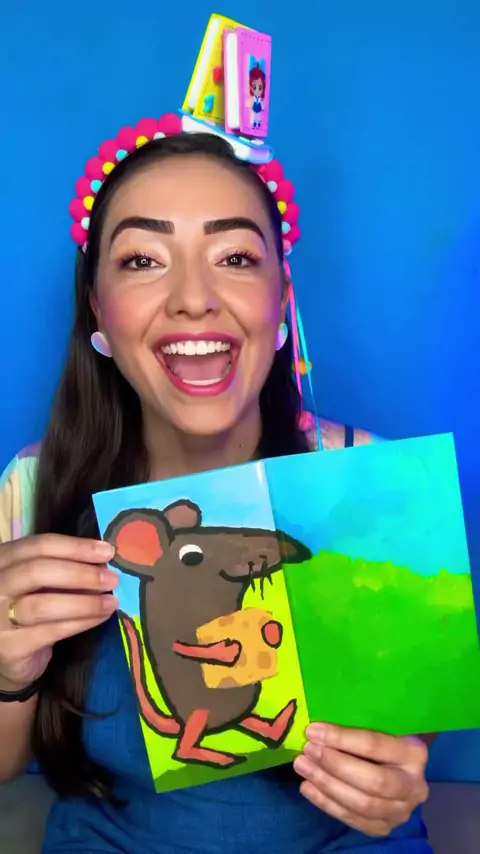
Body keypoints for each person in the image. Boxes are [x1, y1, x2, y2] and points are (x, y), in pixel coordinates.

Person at [0, 122, 432, 853]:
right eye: (143, 259)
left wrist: (390, 778)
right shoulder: (33, 486)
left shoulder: (373, 482)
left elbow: (408, 736)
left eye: (234, 257)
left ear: (281, 299)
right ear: (98, 312)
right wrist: (9, 667)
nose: (194, 299)